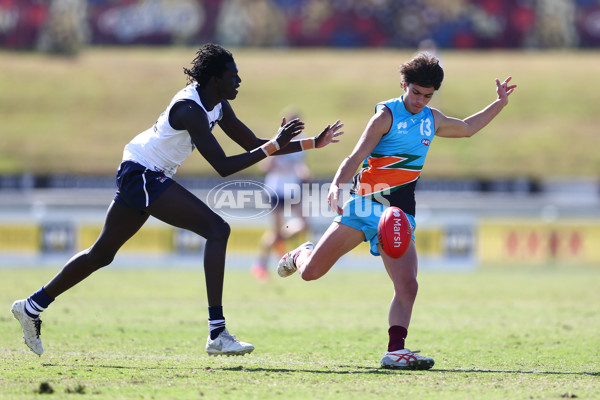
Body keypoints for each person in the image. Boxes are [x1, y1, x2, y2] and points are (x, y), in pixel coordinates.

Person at [11, 43, 344, 357]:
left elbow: (251, 142)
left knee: (101, 254)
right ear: (216, 79)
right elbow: (224, 167)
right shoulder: (190, 110)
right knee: (217, 230)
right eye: (233, 75)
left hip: (142, 173)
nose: (239, 80)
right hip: (142, 174)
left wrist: (314, 142)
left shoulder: (217, 103)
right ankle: (217, 334)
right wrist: (272, 146)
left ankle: (31, 306)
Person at [277, 52, 516, 369]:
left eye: (427, 95)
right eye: (415, 92)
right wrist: (336, 185)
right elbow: (355, 155)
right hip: (364, 206)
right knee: (311, 274)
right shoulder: (385, 116)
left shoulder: (432, 119)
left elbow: (468, 127)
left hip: (399, 214)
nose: (419, 100)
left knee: (408, 285)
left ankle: (395, 351)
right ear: (404, 85)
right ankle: (301, 253)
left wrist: (499, 103)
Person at [251, 108, 312, 282]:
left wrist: (304, 173)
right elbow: (264, 168)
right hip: (276, 189)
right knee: (276, 231)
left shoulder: (303, 141)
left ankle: (281, 242)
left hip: (293, 189)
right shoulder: (278, 140)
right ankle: (261, 265)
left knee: (304, 224)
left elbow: (300, 165)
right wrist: (273, 158)